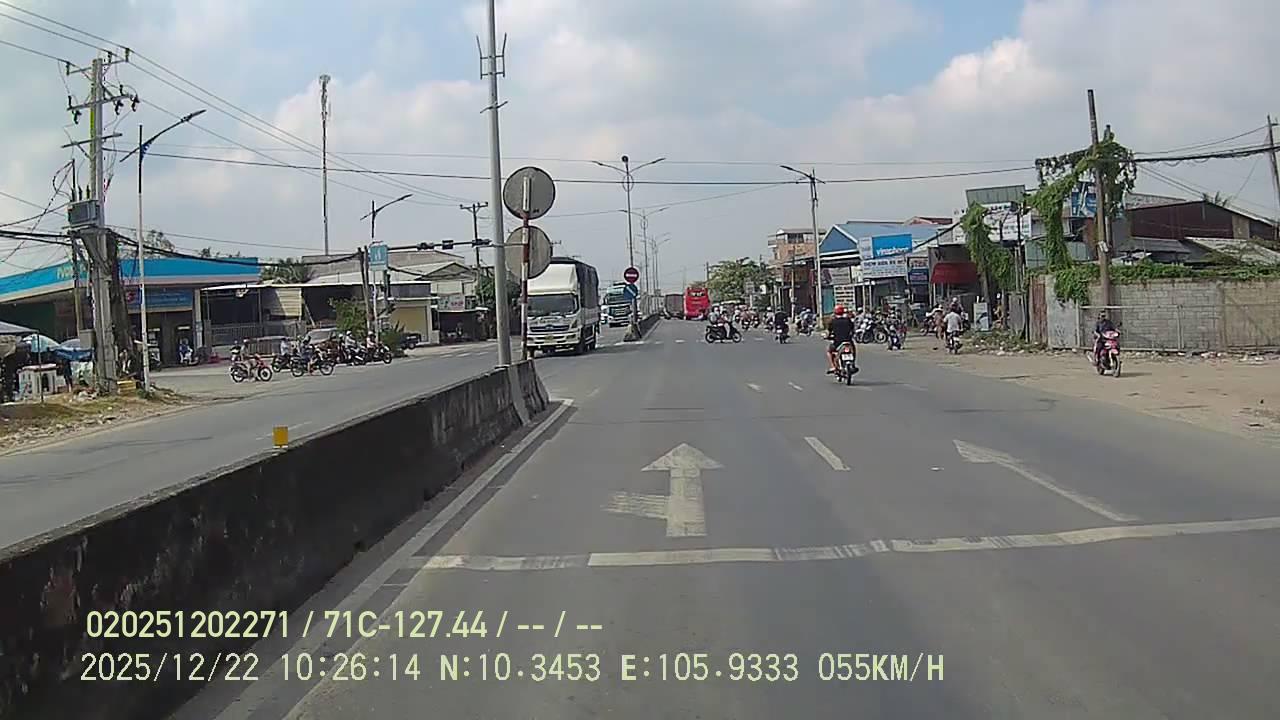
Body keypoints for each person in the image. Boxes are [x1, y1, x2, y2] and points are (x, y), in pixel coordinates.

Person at [826, 305, 857, 374]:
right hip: (848, 342)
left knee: (829, 351)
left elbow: (829, 332)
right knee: (853, 350)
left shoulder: (832, 321)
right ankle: (853, 364)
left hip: (837, 343)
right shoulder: (848, 320)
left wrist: (828, 336)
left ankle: (833, 366)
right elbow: (852, 329)